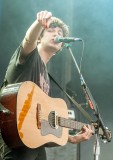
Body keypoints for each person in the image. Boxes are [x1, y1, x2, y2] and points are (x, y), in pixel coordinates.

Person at [0, 10, 93, 160]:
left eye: (59, 32)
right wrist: (39, 23)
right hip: (16, 139)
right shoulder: (29, 57)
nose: (56, 34)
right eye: (50, 30)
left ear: (62, 45)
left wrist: (71, 138)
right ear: (39, 39)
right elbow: (28, 40)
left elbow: (42, 123)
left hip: (34, 144)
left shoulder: (46, 76)